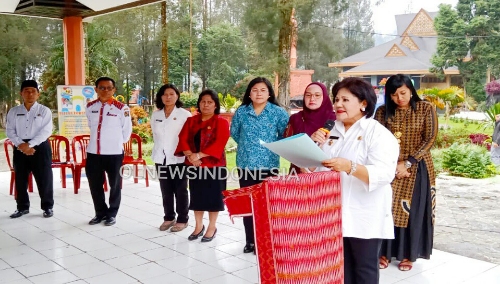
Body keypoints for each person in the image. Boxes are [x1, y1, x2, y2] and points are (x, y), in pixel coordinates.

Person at [310, 77, 399, 284]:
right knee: (342, 268)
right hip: (334, 211)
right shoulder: (332, 132)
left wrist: (349, 167)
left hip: (364, 213)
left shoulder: (377, 134)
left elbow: (385, 173)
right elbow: (318, 168)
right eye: (336, 99)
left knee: (364, 269)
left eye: (345, 100)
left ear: (363, 103)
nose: (338, 104)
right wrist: (312, 148)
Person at [374, 74, 438, 271]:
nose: (399, 98)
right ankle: (384, 252)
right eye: (394, 95)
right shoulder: (383, 112)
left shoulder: (425, 108)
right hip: (389, 167)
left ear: (411, 90)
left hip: (418, 167)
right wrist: (393, 164)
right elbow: (377, 139)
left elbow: (430, 138)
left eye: (403, 92)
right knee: (387, 209)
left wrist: (408, 163)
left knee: (413, 212)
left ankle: (409, 255)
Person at [230, 77, 289, 253]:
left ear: (269, 93)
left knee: (266, 206)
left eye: (263, 90)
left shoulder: (278, 113)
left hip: (268, 165)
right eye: (255, 90)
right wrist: (249, 147)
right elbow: (235, 133)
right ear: (249, 92)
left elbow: (284, 135)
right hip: (245, 165)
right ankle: (250, 241)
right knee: (247, 205)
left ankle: (264, 241)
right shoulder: (242, 112)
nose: (259, 93)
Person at [175, 89, 230, 242]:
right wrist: (191, 157)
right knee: (197, 198)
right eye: (203, 102)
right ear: (199, 104)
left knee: (213, 199)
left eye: (210, 102)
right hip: (194, 166)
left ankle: (212, 226)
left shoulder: (221, 122)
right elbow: (183, 138)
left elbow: (219, 143)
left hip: (215, 167)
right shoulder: (191, 121)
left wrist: (198, 155)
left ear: (215, 105)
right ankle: (198, 226)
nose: (206, 105)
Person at [86, 77, 132, 226]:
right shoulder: (90, 107)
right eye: (102, 87)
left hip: (114, 154)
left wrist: (116, 143)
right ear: (96, 89)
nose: (105, 91)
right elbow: (90, 126)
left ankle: (112, 214)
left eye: (109, 88)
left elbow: (127, 131)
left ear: (114, 90)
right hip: (93, 153)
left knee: (115, 185)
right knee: (95, 185)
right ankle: (100, 213)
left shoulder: (121, 108)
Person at [6, 79, 54, 218]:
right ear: (21, 93)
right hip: (20, 147)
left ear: (38, 94)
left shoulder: (44, 111)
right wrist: (21, 145)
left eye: (33, 91)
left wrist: (30, 145)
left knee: (44, 178)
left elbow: (46, 131)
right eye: (26, 91)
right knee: (20, 179)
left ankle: (47, 207)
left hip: (40, 147)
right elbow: (10, 130)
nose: (30, 94)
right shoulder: (14, 111)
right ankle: (22, 207)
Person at [151, 84, 191, 232]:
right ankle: (168, 217)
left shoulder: (184, 114)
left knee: (180, 190)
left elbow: (189, 137)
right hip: (161, 158)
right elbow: (155, 136)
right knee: (165, 189)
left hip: (179, 159)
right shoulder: (156, 115)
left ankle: (182, 219)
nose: (168, 97)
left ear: (177, 96)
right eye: (165, 94)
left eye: (171, 94)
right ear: (160, 97)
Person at [284, 82, 336, 173]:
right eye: (308, 95)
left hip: (326, 175)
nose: (312, 99)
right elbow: (287, 148)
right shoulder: (296, 119)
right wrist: (308, 141)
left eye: (317, 95)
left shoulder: (334, 119)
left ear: (325, 97)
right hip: (298, 174)